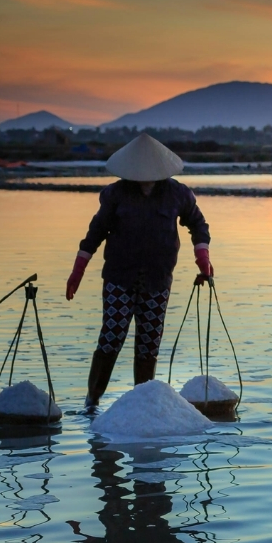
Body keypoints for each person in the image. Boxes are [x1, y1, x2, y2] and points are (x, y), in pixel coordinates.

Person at [65, 134, 213, 412]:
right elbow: (95, 232)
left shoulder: (178, 194)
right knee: (111, 336)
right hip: (120, 278)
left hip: (157, 280)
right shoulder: (116, 194)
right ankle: (92, 401)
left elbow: (198, 224)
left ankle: (141, 405)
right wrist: (78, 269)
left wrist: (202, 255)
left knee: (149, 344)